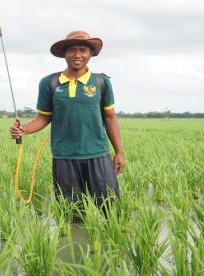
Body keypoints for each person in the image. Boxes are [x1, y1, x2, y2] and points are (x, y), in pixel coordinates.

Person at [10, 31, 125, 206]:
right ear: (64, 53)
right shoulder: (50, 83)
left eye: (83, 50)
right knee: (71, 211)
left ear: (91, 54)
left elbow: (110, 117)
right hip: (64, 156)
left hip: (98, 154)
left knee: (111, 208)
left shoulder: (101, 82)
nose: (77, 55)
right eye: (72, 50)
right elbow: (43, 117)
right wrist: (23, 129)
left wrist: (119, 152)